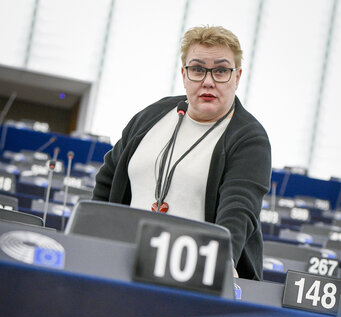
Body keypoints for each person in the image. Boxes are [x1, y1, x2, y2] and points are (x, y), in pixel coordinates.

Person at [92, 25, 271, 280]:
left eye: (221, 70)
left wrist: (224, 257)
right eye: (197, 69)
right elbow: (107, 180)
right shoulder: (151, 116)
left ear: (237, 76)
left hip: (194, 276)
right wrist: (88, 238)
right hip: (122, 264)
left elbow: (240, 206)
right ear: (184, 74)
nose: (208, 81)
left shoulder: (250, 138)